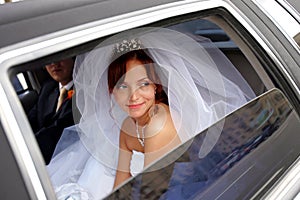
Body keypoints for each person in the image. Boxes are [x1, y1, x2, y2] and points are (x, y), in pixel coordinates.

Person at [47, 28, 256, 200]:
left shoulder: (160, 124)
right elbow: (121, 180)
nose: (133, 97)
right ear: (111, 91)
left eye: (143, 84)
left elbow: (148, 194)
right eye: (122, 87)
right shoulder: (128, 126)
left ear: (156, 86)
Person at [27, 58, 75, 164]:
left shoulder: (84, 90)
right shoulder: (48, 87)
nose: (54, 63)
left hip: (66, 154)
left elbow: (59, 128)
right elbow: (32, 119)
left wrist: (27, 147)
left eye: (61, 57)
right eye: (49, 60)